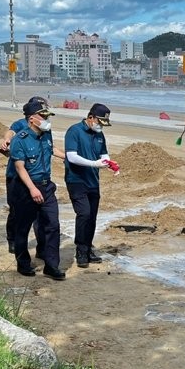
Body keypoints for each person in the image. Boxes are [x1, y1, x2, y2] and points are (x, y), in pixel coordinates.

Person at [9, 98, 65, 280]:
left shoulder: (47, 135)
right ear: (32, 119)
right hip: (26, 188)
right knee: (22, 227)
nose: (47, 119)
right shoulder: (20, 140)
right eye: (43, 116)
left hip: (46, 186)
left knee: (53, 225)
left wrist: (67, 157)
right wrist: (33, 189)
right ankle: (23, 263)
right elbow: (20, 167)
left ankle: (51, 265)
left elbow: (51, 150)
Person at [64, 103, 114, 268]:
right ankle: (80, 250)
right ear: (91, 117)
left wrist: (110, 163)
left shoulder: (99, 135)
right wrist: (94, 164)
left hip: (93, 181)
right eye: (99, 122)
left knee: (92, 217)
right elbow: (71, 156)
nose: (100, 127)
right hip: (76, 180)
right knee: (84, 214)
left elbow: (103, 153)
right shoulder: (74, 131)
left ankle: (88, 248)